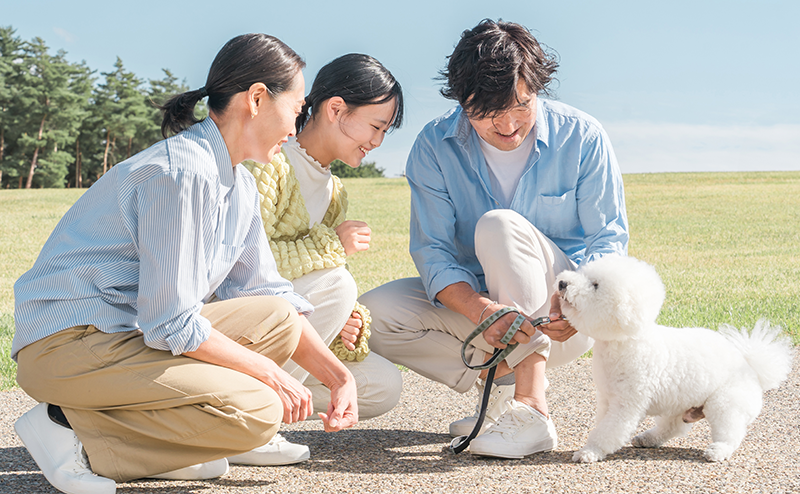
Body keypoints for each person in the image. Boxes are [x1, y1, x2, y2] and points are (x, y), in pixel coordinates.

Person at [12, 33, 358, 494]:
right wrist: (270, 375)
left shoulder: (240, 185)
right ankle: (66, 429)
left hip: (124, 337)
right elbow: (170, 322)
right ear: (256, 99)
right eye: (295, 110)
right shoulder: (181, 173)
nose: (296, 129)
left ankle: (189, 445)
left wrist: (338, 376)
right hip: (67, 346)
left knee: (277, 318)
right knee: (258, 409)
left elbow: (268, 293)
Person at [360, 19, 629, 459]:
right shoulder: (433, 146)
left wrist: (576, 299)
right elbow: (433, 252)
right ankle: (499, 395)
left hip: (564, 321)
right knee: (376, 314)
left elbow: (609, 240)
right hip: (486, 317)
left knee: (499, 225)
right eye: (486, 113)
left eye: (521, 105)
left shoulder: (583, 137)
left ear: (538, 88)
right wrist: (481, 308)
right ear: (462, 102)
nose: (507, 125)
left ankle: (531, 408)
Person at [242, 53, 404, 420]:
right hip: (241, 315)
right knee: (339, 285)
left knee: (382, 384)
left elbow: (315, 281)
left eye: (385, 132)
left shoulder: (335, 191)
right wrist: (334, 245)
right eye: (375, 126)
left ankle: (256, 403)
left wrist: (346, 317)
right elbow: (247, 261)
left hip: (283, 321)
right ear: (335, 109)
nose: (377, 142)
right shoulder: (271, 162)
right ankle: (254, 417)